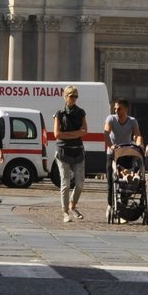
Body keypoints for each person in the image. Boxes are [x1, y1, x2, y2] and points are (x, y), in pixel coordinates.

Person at [53, 86, 87, 221]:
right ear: (65, 97)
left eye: (76, 96)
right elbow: (57, 134)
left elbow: (85, 130)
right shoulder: (59, 114)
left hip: (78, 151)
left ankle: (73, 205)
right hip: (63, 152)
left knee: (80, 184)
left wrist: (67, 134)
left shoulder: (81, 112)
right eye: (71, 96)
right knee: (65, 183)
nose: (74, 99)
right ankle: (65, 212)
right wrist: (75, 134)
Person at [104, 99, 141, 185]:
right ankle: (110, 198)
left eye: (119, 109)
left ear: (126, 109)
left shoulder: (132, 121)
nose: (116, 111)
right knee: (110, 179)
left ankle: (125, 194)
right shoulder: (111, 119)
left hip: (126, 152)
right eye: (115, 109)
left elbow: (138, 135)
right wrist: (111, 146)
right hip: (113, 152)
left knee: (126, 175)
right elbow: (106, 134)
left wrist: (138, 145)